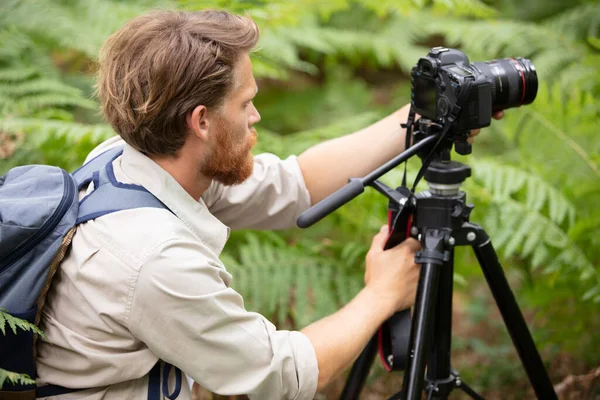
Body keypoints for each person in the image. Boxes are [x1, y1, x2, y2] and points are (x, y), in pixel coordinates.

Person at [35, 9, 502, 400]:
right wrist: (382, 294)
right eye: (246, 103)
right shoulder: (154, 260)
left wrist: (422, 114)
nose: (256, 115)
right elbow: (278, 374)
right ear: (201, 122)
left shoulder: (125, 160)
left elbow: (293, 184)